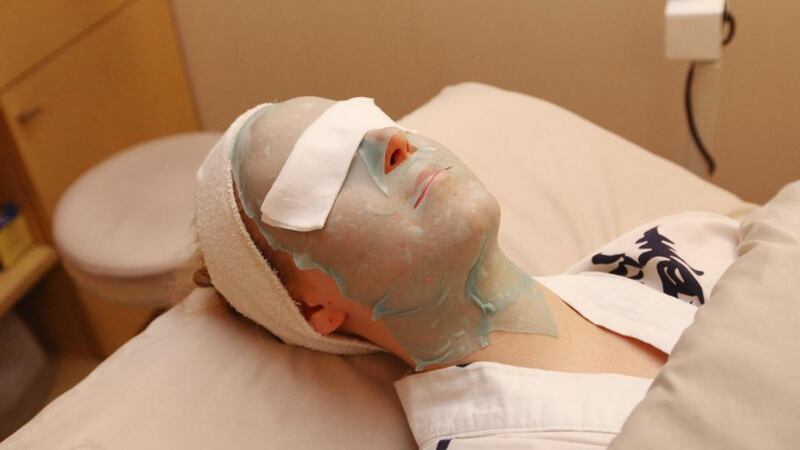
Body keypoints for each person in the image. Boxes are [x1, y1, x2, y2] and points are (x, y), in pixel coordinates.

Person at [194, 96, 739, 449]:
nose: (394, 143)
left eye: (370, 121)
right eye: (324, 172)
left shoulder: (676, 246)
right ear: (314, 306)